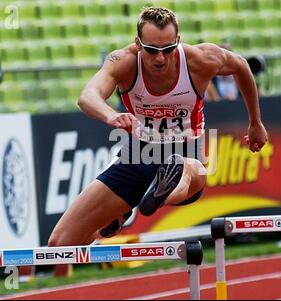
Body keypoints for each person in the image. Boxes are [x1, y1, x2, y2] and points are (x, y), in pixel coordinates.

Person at [48, 7, 268, 247]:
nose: (160, 58)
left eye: (168, 49)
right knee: (60, 244)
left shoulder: (200, 59)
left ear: (178, 41)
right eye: (152, 50)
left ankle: (157, 193)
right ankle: (113, 217)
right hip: (137, 156)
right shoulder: (124, 61)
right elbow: (87, 96)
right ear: (138, 43)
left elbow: (241, 66)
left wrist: (255, 123)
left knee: (189, 168)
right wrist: (111, 116)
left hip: (186, 152)